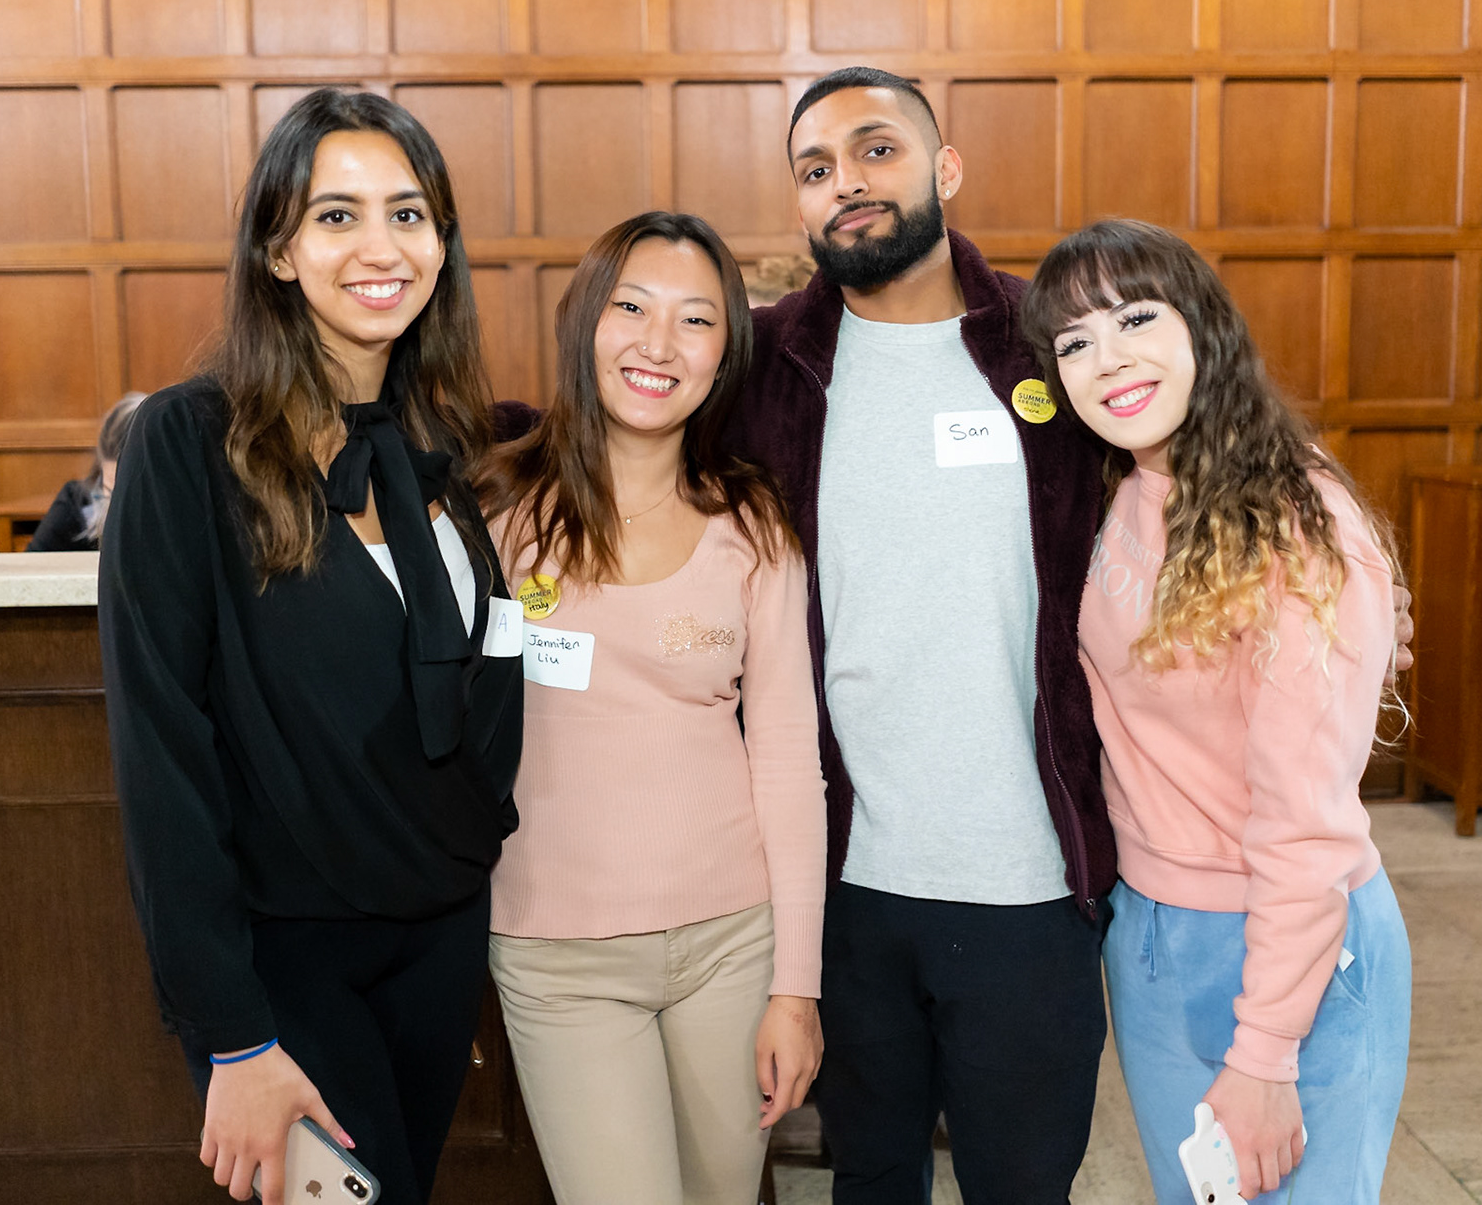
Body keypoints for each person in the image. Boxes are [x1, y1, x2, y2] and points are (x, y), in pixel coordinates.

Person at [97, 88, 522, 1205]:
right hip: (284, 957)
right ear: (279, 251)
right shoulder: (189, 443)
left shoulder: (445, 444)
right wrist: (232, 1035)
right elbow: (161, 754)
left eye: (408, 214)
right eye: (337, 216)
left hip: (441, 935)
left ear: (442, 244)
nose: (381, 247)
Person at [727, 67, 1116, 1203]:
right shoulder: (759, 367)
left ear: (944, 168)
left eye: (876, 149)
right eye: (816, 168)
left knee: (1022, 1185)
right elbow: (597, 433)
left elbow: (1199, 451)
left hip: (1030, 877)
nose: (846, 181)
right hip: (841, 883)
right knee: (870, 1180)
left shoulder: (1052, 346)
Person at [1024, 218, 1413, 1202]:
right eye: (1074, 341)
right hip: (1150, 932)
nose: (1109, 359)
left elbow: (1305, 823)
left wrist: (1267, 1051)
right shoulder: (1117, 487)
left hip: (1289, 938)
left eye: (1135, 319)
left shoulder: (1298, 524)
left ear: (1201, 323)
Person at [476, 211, 827, 1205]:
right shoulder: (496, 511)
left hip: (733, 944)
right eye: (631, 308)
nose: (659, 344)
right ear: (585, 319)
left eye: (695, 320)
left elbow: (787, 761)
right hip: (558, 953)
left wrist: (796, 986)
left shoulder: (754, 524)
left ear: (727, 353)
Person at [26, 391, 147, 551]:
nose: (119, 509)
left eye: (128, 494)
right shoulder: (76, 503)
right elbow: (33, 561)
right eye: (110, 492)